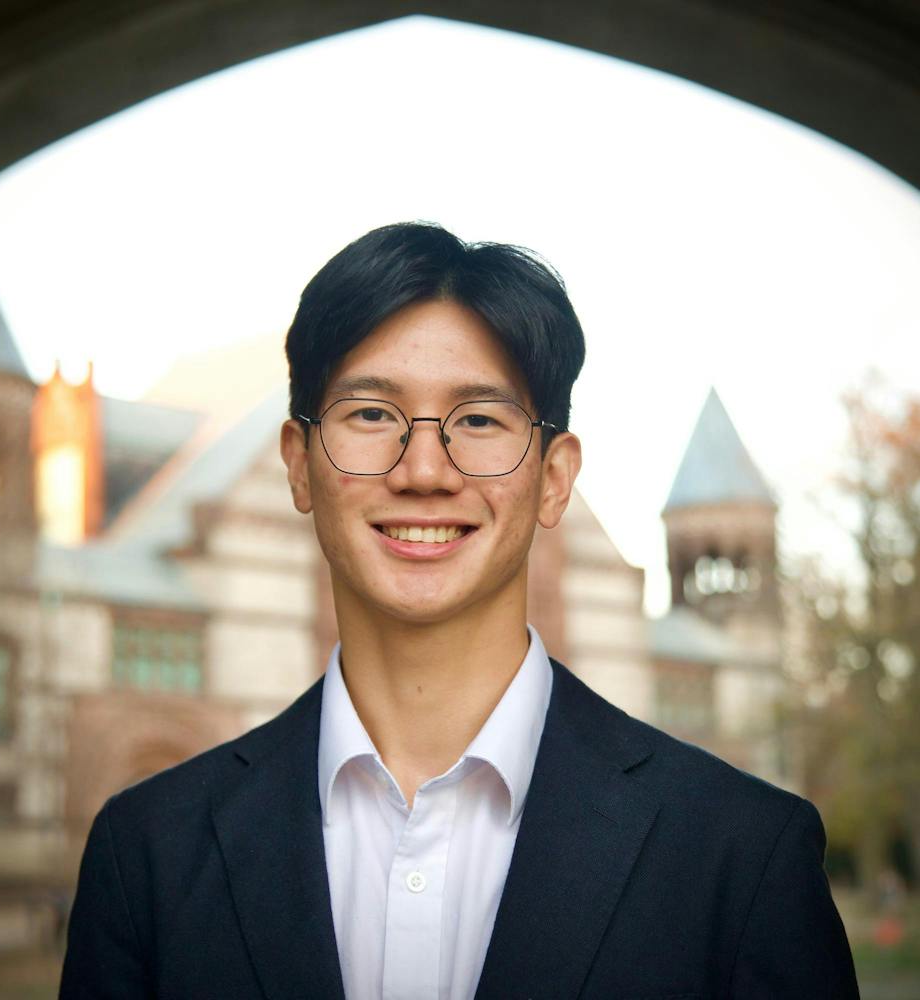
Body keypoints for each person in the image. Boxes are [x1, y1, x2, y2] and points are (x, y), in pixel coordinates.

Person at [60, 222, 859, 999]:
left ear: (554, 478)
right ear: (299, 466)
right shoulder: (147, 857)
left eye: (479, 420)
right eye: (372, 415)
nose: (424, 470)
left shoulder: (744, 856)